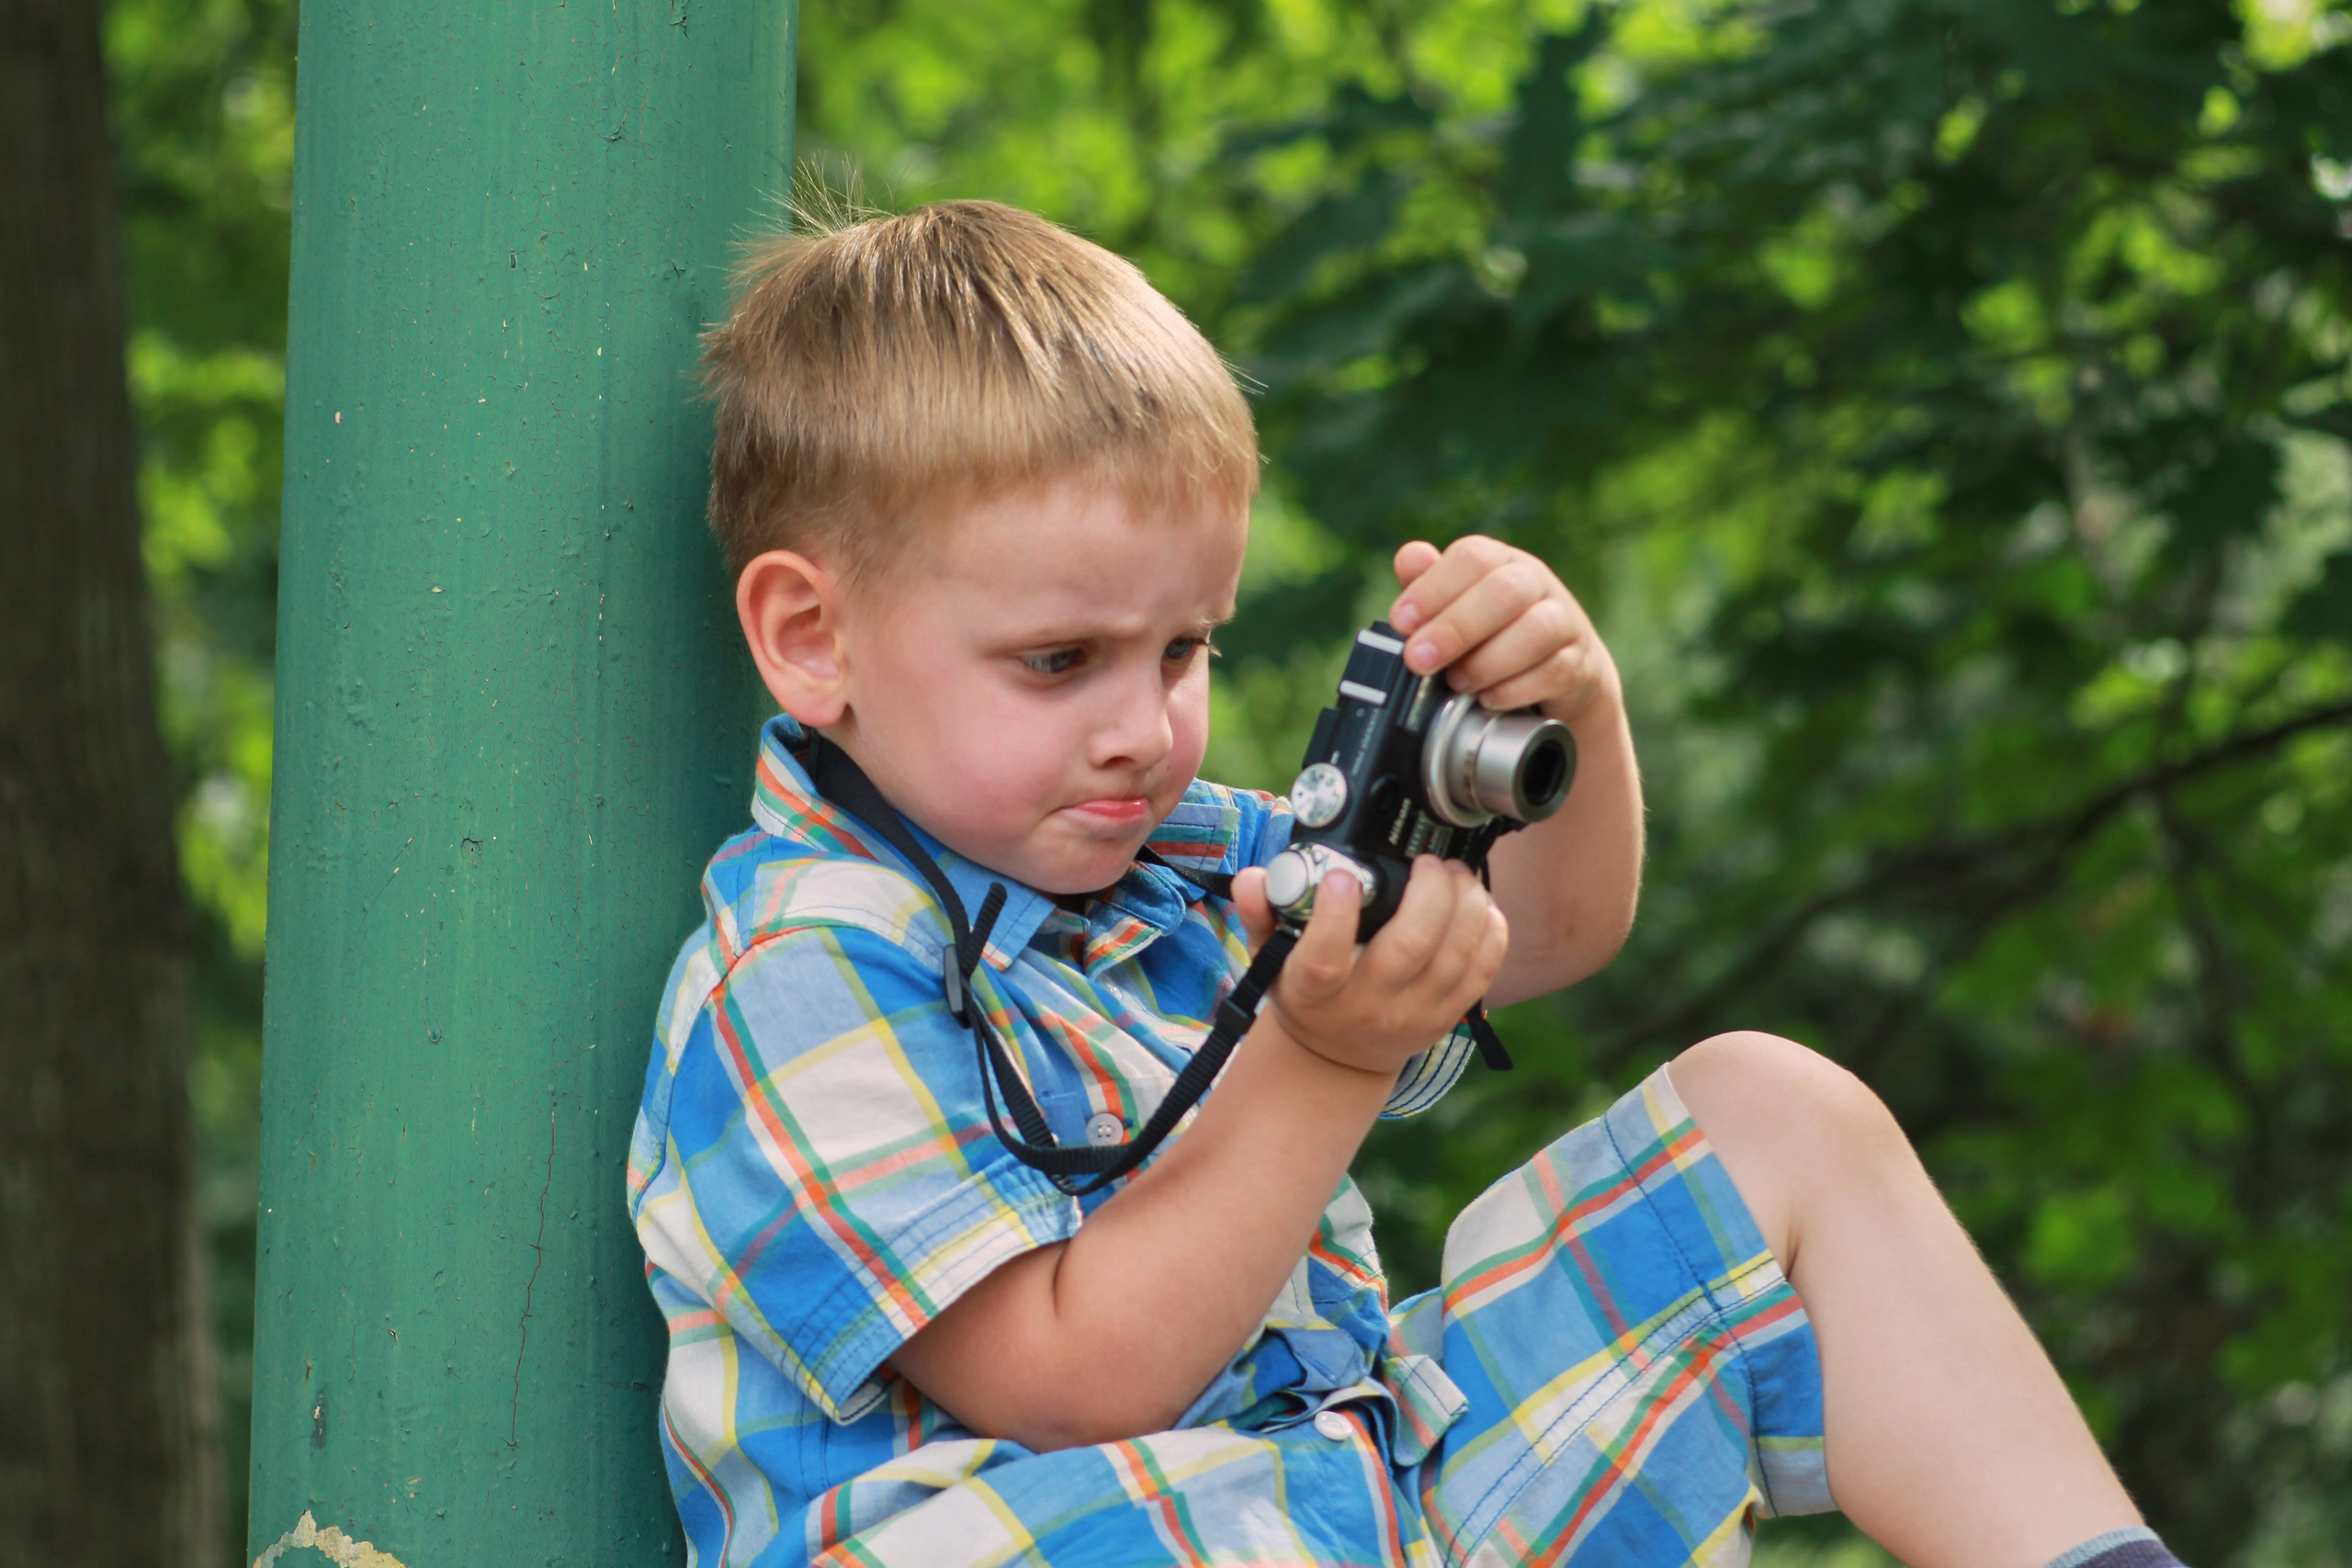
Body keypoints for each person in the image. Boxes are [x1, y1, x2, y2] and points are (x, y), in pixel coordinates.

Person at [627, 198, 2186, 1568]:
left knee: (1772, 1117)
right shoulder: (802, 966)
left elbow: (1550, 936)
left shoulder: (1185, 861)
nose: (1143, 726)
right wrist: (1324, 1058)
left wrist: (1568, 705)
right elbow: (1068, 1382)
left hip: (1374, 1514)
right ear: (812, 639)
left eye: (1185, 650)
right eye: (1059, 661)